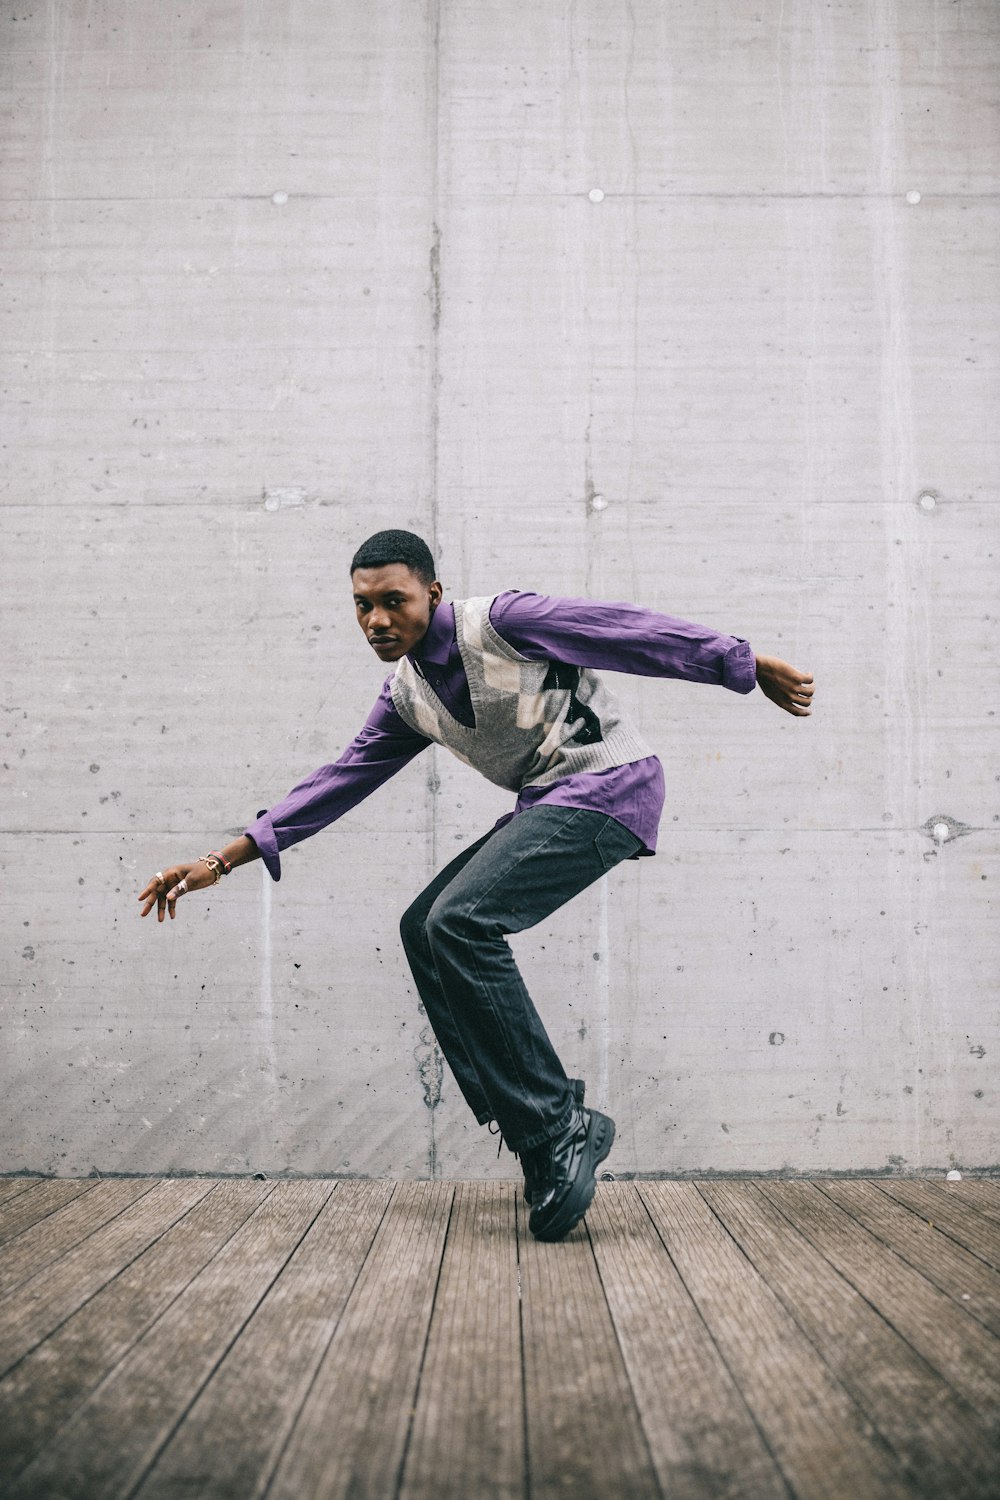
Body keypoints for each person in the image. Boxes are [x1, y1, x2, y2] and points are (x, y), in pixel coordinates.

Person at [139, 529, 814, 1241]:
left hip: (609, 787)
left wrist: (740, 664)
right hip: (550, 801)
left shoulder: (503, 623)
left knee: (459, 922)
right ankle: (539, 1133)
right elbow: (339, 781)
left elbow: (624, 631)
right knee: (424, 928)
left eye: (394, 601)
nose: (377, 621)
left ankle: (557, 1125)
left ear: (432, 593)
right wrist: (221, 860)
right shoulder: (406, 695)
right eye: (363, 607)